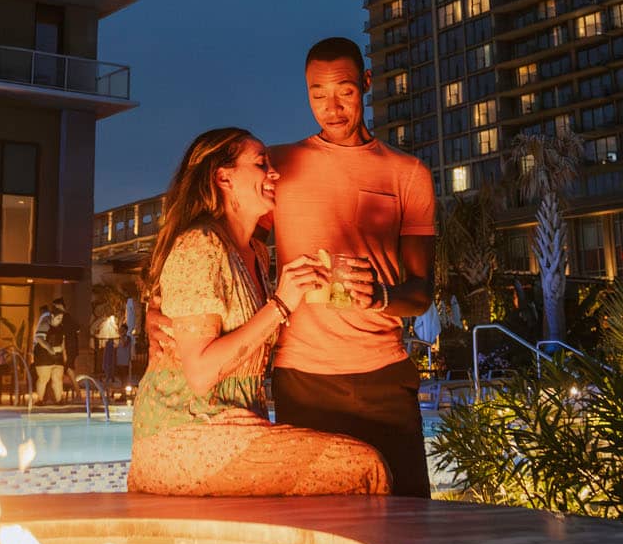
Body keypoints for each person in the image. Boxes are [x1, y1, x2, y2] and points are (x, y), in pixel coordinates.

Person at [148, 37, 435, 498]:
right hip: (302, 377)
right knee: (318, 519)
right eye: (317, 94)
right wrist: (157, 308)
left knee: (405, 508)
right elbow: (221, 241)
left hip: (382, 373)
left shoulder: (409, 174)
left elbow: (421, 292)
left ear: (366, 83)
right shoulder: (278, 166)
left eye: (344, 92)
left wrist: (380, 295)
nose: (331, 108)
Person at [127, 127, 391, 497]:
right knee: (363, 467)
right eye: (260, 164)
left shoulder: (255, 252)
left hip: (236, 425)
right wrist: (281, 304)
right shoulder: (200, 245)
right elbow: (200, 373)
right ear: (224, 178)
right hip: (186, 433)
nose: (274, 173)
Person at [32, 299, 67, 405]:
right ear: (52, 315)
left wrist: (64, 353)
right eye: (58, 318)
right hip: (43, 356)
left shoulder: (61, 326)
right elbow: (39, 338)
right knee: (44, 378)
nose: (60, 320)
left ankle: (59, 399)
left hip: (57, 356)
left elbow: (63, 340)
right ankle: (40, 399)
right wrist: (50, 349)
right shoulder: (45, 322)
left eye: (61, 318)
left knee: (58, 378)